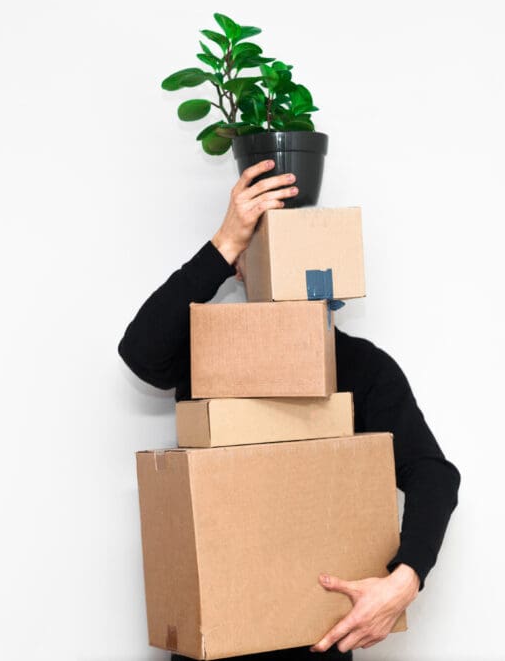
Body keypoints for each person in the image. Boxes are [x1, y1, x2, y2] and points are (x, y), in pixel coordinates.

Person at [118, 160, 461, 659]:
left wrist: (403, 582)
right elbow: (141, 352)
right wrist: (225, 244)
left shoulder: (363, 367)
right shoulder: (210, 356)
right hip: (212, 642)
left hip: (315, 640)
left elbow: (433, 475)